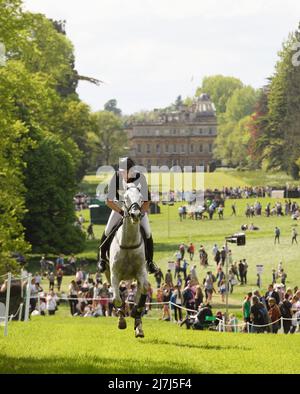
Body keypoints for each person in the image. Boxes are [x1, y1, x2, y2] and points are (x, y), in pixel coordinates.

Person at [98, 157, 159, 274]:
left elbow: (147, 201)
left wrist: (140, 214)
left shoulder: (140, 178)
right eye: (120, 170)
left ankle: (150, 262)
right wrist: (121, 212)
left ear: (131, 170)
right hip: (119, 208)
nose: (121, 173)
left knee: (147, 232)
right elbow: (109, 201)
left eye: (124, 171)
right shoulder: (116, 178)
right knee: (108, 230)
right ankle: (102, 259)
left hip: (138, 209)